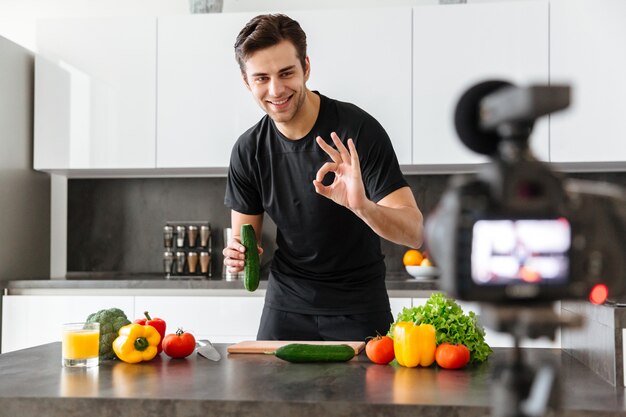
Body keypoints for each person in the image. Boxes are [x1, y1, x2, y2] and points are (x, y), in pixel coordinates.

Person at [223, 13, 424, 341]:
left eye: (286, 73)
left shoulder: (357, 131)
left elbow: (414, 233)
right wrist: (237, 257)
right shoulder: (248, 150)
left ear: (306, 67)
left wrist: (363, 207)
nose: (276, 89)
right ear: (247, 82)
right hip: (286, 304)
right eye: (261, 78)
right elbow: (245, 244)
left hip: (360, 305)